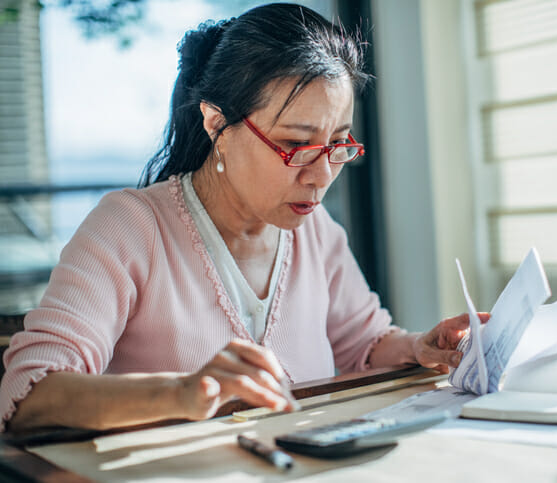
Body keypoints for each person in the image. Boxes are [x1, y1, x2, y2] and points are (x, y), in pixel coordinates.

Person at [0, 3, 487, 432]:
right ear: (217, 123)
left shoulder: (315, 232)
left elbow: (362, 344)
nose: (321, 177)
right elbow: (28, 393)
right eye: (296, 145)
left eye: (338, 144)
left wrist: (419, 347)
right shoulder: (131, 228)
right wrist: (183, 393)